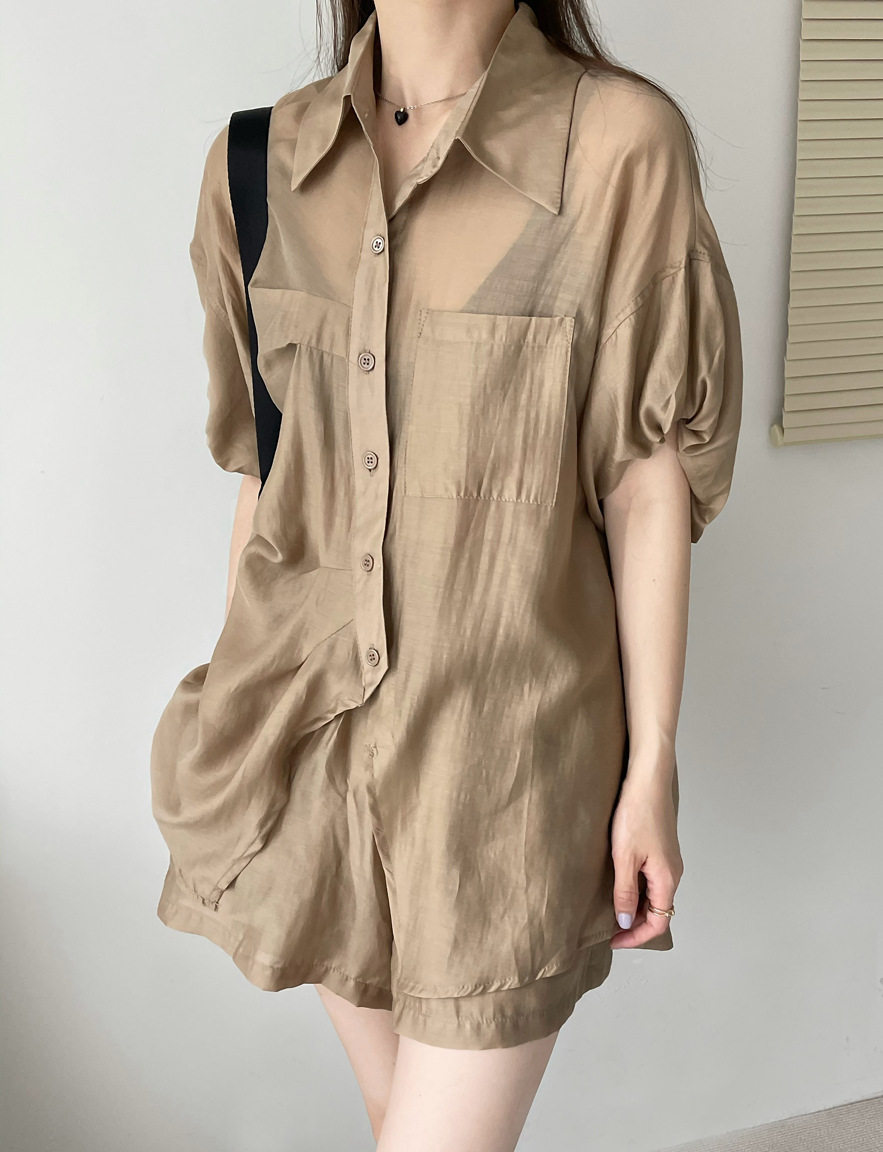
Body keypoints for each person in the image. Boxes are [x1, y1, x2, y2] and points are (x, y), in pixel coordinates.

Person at [150, 1, 743, 1147]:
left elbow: (646, 483)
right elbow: (268, 477)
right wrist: (237, 720)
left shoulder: (617, 145)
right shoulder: (257, 166)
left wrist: (653, 763)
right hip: (306, 759)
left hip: (503, 783)